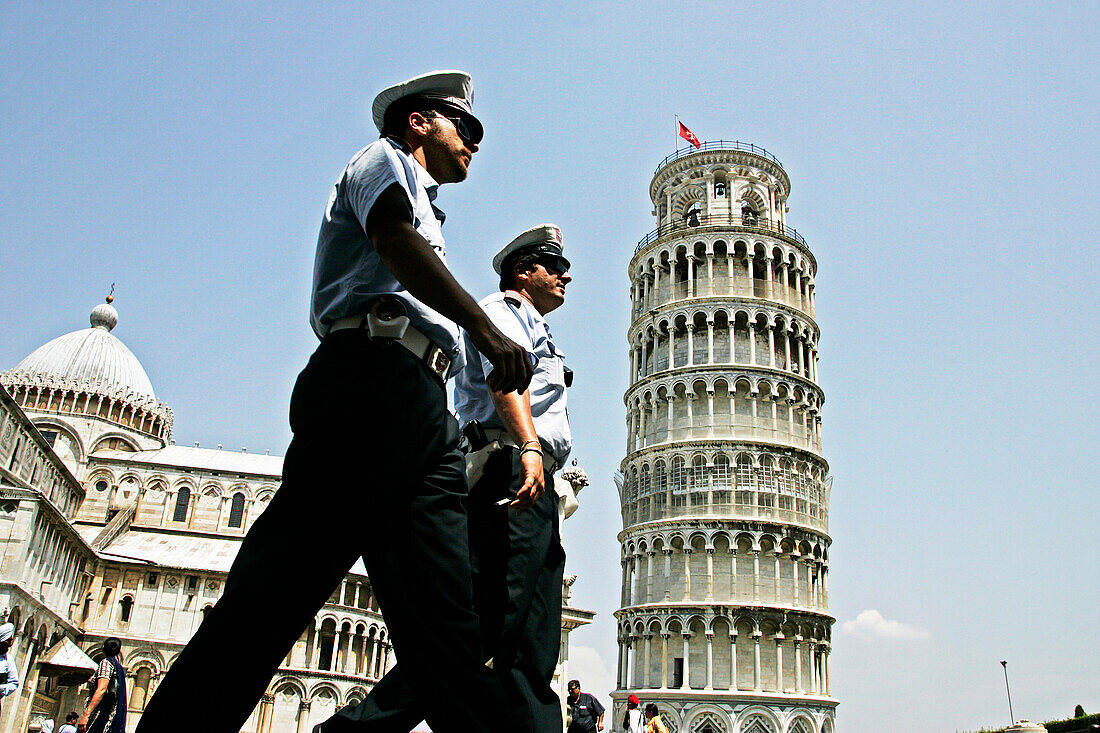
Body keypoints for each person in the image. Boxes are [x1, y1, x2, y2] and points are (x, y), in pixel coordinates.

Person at [136, 69, 532, 733]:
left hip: (422, 408)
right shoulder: (380, 162)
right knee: (273, 597)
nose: (473, 143)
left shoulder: (429, 204)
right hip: (367, 385)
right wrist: (486, 329)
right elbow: (393, 241)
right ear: (417, 122)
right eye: (464, 127)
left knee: (447, 630)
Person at [319, 225, 574, 733]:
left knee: (534, 638)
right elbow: (508, 380)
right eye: (554, 265)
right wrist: (527, 447)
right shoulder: (504, 311)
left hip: (534, 475)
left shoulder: (537, 326)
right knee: (487, 623)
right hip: (510, 466)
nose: (566, 275)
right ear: (524, 272)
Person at [77, 638, 126, 733]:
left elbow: (101, 689)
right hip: (110, 715)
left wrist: (86, 715)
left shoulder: (106, 663)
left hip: (101, 715)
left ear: (103, 648)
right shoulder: (117, 666)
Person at [0, 623, 18, 716]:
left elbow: (14, 683)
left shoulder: (8, 660)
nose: (10, 644)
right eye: (8, 641)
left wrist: (1, 688)